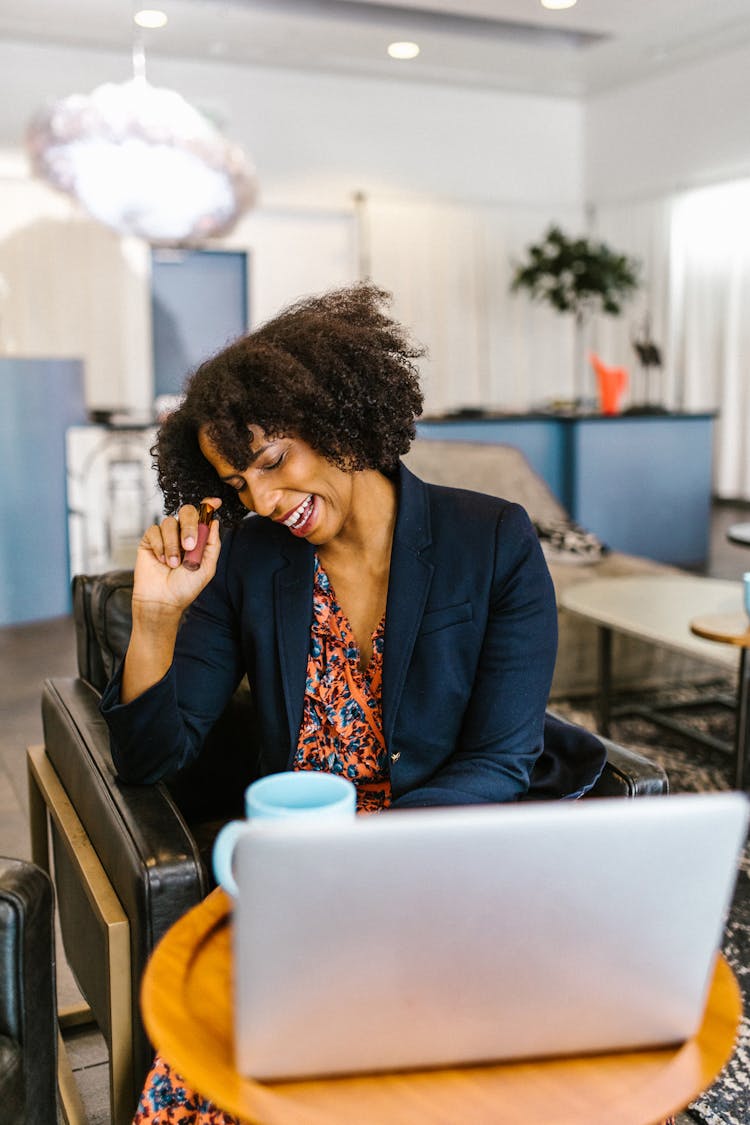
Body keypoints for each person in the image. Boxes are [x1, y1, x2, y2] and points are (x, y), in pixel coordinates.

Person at [101, 282, 606, 1123]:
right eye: (239, 480)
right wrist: (155, 616)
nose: (261, 500)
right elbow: (151, 757)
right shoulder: (249, 562)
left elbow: (499, 759)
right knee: (221, 1085)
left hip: (451, 859)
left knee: (546, 1071)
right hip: (306, 885)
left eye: (272, 460)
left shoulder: (493, 540)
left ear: (336, 418)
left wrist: (374, 858)